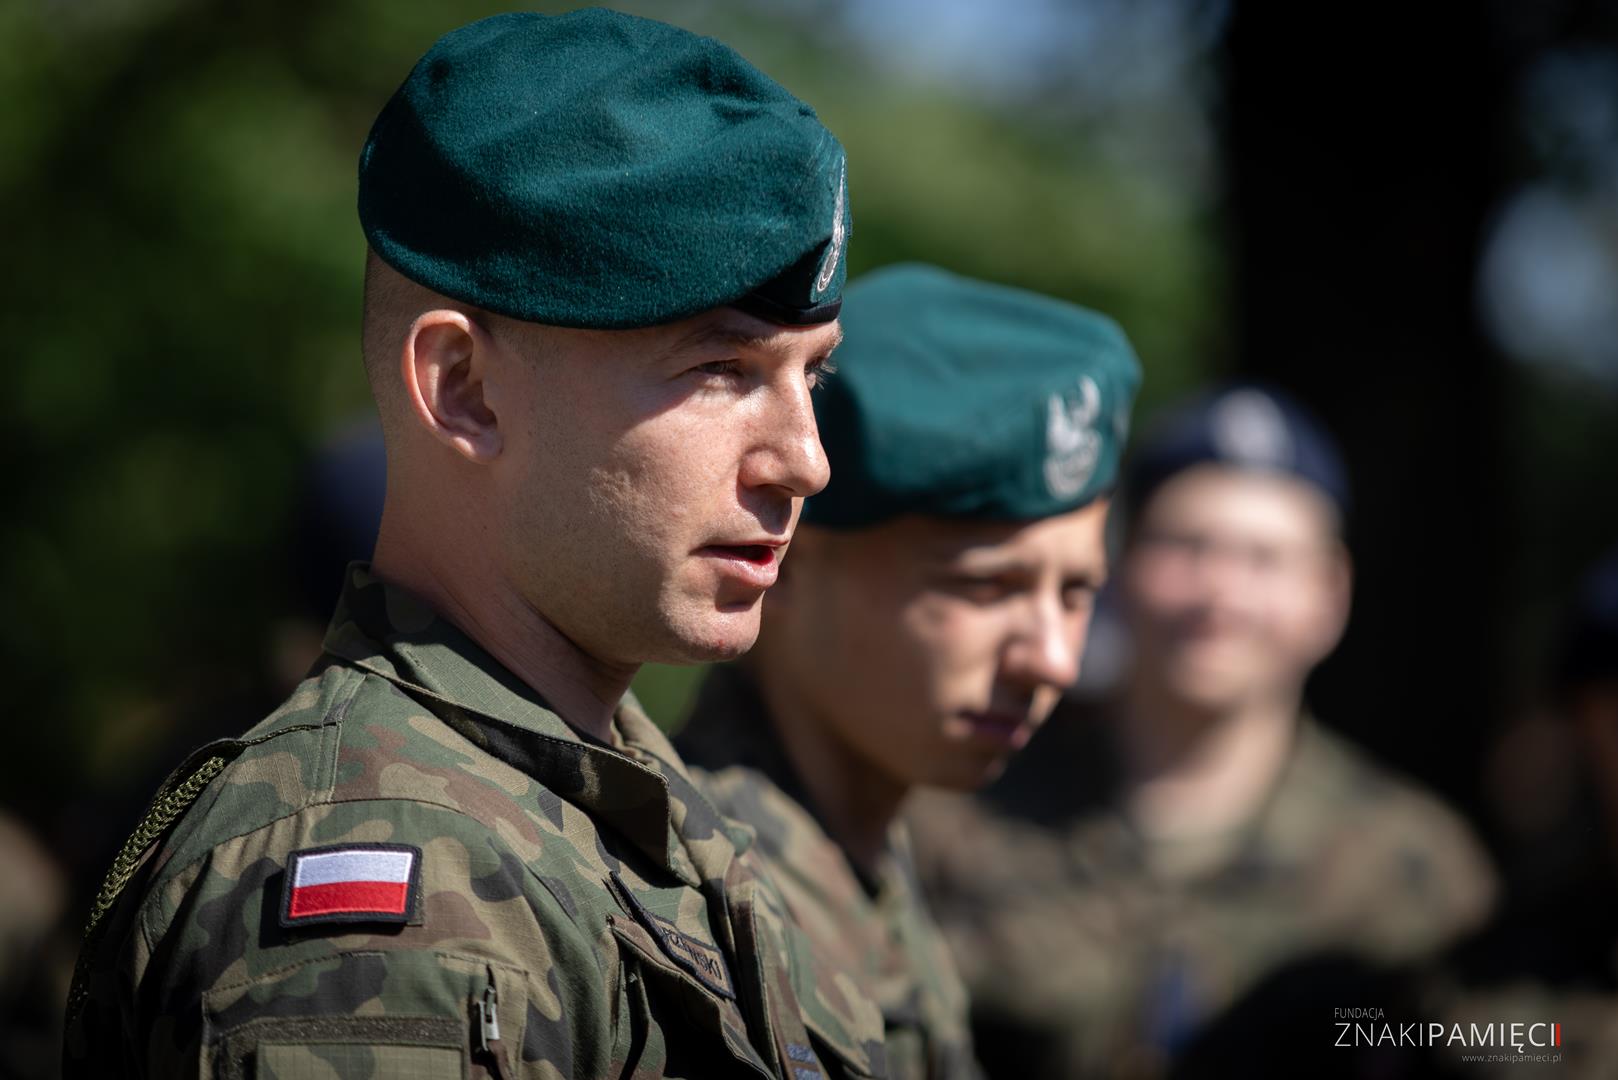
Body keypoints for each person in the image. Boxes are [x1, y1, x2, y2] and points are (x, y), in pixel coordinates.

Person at [64, 11, 888, 1078]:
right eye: (719, 371)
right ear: (464, 389)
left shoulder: (625, 806)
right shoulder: (390, 898)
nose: (805, 461)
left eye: (811, 373)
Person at [909, 384, 1498, 1078]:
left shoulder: (1414, 870)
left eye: (1265, 558)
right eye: (1186, 547)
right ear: (1116, 565)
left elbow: (1494, 1047)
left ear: (1330, 593)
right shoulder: (962, 813)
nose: (1220, 593)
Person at [677, 263, 1143, 1080]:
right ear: (789, 564)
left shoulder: (871, 854)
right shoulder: (696, 912)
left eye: (1076, 592)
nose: (1053, 659)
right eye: (985, 587)